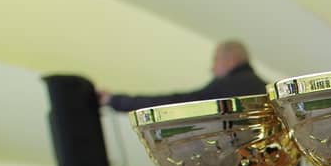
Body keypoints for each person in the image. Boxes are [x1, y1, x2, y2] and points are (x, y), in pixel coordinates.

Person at [99, 40, 266, 112]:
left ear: (231, 60)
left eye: (215, 60)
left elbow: (174, 104)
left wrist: (115, 100)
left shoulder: (224, 87)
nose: (212, 68)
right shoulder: (265, 88)